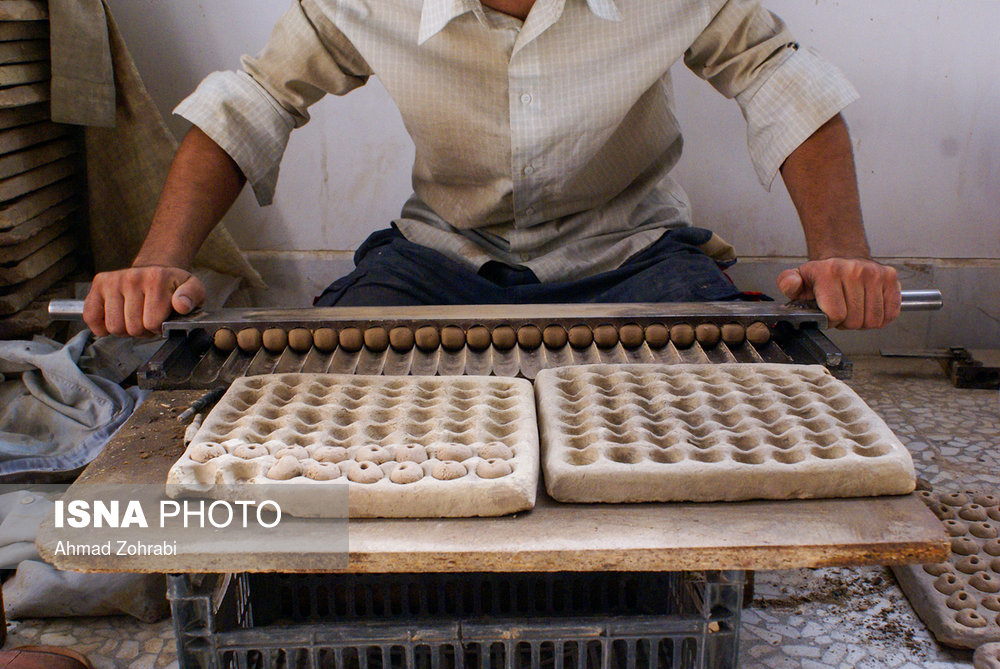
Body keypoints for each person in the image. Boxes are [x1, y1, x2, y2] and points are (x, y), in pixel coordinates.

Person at [83, 0, 901, 338]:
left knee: (733, 398)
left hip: (636, 256)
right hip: (442, 257)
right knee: (316, 385)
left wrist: (843, 252)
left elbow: (776, 75)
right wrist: (159, 262)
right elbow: (256, 100)